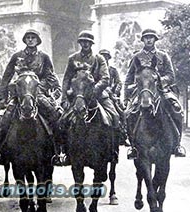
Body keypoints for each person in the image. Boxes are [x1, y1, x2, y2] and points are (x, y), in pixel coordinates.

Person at [0, 29, 64, 166]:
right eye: (28, 37)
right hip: (19, 93)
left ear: (37, 40)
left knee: (55, 115)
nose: (30, 39)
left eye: (33, 37)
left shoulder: (44, 57)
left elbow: (51, 78)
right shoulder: (16, 56)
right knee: (5, 119)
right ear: (25, 40)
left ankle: (58, 152)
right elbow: (6, 77)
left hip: (37, 93)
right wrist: (2, 97)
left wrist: (37, 85)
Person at [124, 28, 186, 158]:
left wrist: (159, 80)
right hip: (142, 91)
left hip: (161, 90)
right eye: (146, 37)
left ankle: (177, 144)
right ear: (143, 40)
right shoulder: (136, 57)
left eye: (151, 37)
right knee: (129, 113)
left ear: (155, 39)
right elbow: (129, 78)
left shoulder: (163, 56)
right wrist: (127, 97)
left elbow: (171, 76)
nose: (149, 39)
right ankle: (133, 146)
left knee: (177, 109)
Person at [62, 30, 120, 161]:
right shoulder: (72, 58)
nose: (85, 44)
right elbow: (66, 79)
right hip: (78, 95)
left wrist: (94, 90)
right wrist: (64, 98)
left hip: (97, 95)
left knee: (115, 116)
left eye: (88, 42)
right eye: (83, 41)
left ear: (91, 43)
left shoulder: (99, 59)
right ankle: (64, 152)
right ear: (80, 43)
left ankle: (113, 149)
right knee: (62, 120)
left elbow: (105, 78)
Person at [99, 49, 129, 146]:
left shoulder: (112, 70)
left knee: (121, 111)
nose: (104, 58)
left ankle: (123, 133)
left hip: (112, 94)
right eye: (102, 56)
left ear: (108, 58)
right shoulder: (96, 69)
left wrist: (115, 92)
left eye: (106, 56)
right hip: (99, 93)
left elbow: (119, 82)